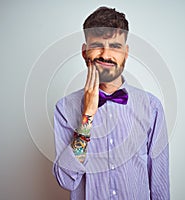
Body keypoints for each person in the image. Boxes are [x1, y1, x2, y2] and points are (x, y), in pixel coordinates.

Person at [53, 6, 170, 200]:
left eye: (115, 46)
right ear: (84, 52)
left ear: (126, 52)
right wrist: (87, 116)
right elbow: (66, 180)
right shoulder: (64, 109)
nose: (106, 55)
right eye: (97, 45)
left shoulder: (152, 107)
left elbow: (160, 186)